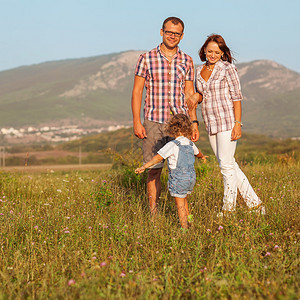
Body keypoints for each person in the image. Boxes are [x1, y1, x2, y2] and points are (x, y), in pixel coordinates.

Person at [188, 34, 265, 215]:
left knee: (225, 166)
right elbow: (201, 94)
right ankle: (255, 205)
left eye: (217, 52)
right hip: (210, 121)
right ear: (204, 51)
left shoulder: (228, 68)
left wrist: (238, 123)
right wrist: (194, 96)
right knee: (229, 164)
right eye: (210, 51)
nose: (213, 55)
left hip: (227, 121)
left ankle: (228, 209)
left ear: (222, 52)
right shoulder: (198, 71)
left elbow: (237, 97)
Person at [131, 17, 199, 216]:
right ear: (161, 32)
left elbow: (189, 95)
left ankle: (183, 215)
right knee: (154, 170)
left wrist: (194, 123)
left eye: (176, 33)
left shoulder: (187, 60)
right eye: (169, 32)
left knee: (181, 170)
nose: (172, 36)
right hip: (153, 121)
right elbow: (137, 92)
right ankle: (154, 215)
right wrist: (137, 121)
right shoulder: (146, 58)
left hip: (179, 124)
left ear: (182, 36)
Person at [135, 114, 207, 228]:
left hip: (179, 179)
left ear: (172, 129)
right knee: (185, 201)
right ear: (188, 128)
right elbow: (198, 153)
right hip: (191, 178)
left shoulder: (172, 145)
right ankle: (191, 222)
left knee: (180, 206)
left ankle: (185, 229)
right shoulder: (190, 143)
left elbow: (158, 158)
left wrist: (144, 167)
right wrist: (202, 157)